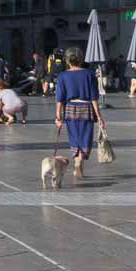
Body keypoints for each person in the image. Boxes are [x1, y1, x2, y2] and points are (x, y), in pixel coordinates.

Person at [55, 46, 105, 178]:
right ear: (81, 59)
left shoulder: (62, 76)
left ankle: (77, 163)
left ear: (67, 60)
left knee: (74, 137)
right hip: (86, 108)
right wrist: (99, 116)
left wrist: (58, 116)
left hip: (70, 108)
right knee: (85, 137)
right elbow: (94, 97)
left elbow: (59, 98)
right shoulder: (89, 74)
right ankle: (79, 164)